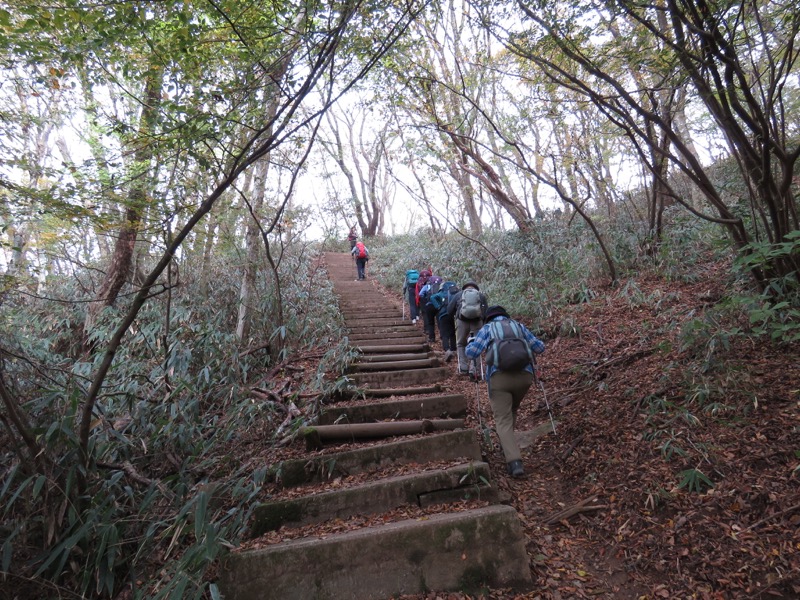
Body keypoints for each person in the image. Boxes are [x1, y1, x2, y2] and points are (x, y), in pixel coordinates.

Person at [466, 305, 545, 478]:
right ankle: (507, 443)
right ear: (505, 315)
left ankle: (514, 462)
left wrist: (471, 342)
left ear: (489, 318)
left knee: (502, 419)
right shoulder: (518, 326)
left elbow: (472, 352)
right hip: (524, 378)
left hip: (499, 378)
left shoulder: (487, 328)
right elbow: (539, 347)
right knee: (511, 410)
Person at [447, 280, 488, 378]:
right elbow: (486, 311)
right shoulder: (481, 296)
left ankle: (463, 367)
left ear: (465, 287)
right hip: (477, 322)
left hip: (461, 322)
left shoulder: (458, 295)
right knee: (476, 344)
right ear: (475, 288)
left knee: (461, 343)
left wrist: (455, 316)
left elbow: (449, 310)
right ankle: (474, 370)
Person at [431, 281, 458, 362]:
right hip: (452, 315)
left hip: (443, 315)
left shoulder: (441, 293)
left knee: (444, 333)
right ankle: (453, 349)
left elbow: (432, 297)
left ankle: (446, 349)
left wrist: (438, 306)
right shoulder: (455, 294)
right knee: (452, 332)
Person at [418, 273, 443, 344]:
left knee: (431, 322)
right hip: (439, 305)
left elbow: (420, 294)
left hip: (429, 305)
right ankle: (442, 336)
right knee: (440, 321)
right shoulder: (441, 286)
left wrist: (426, 299)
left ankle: (432, 338)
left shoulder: (427, 286)